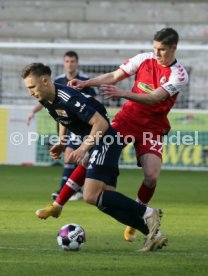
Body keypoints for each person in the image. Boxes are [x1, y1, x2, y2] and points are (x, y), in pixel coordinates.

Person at [21, 62, 164, 252]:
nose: (30, 92)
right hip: (98, 143)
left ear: (45, 81)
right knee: (106, 203)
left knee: (90, 195)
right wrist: (62, 141)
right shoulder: (46, 99)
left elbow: (101, 123)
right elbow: (62, 118)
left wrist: (83, 148)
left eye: (32, 87)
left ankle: (147, 212)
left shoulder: (67, 96)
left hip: (105, 140)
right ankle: (154, 234)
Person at [69, 27, 189, 242]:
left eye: (162, 50)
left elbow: (154, 98)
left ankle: (137, 218)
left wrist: (124, 93)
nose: (157, 53)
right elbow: (114, 76)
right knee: (92, 157)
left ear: (173, 48)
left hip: (152, 127)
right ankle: (59, 201)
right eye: (155, 48)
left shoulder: (178, 74)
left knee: (151, 177)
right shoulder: (144, 58)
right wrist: (86, 83)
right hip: (126, 121)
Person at [26, 51, 96, 201]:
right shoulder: (56, 81)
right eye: (67, 61)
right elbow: (56, 107)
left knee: (72, 156)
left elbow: (93, 104)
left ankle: (65, 190)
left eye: (72, 61)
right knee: (72, 157)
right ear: (64, 63)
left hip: (84, 125)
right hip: (68, 125)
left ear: (77, 63)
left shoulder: (84, 81)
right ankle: (72, 190)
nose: (69, 64)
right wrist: (33, 112)